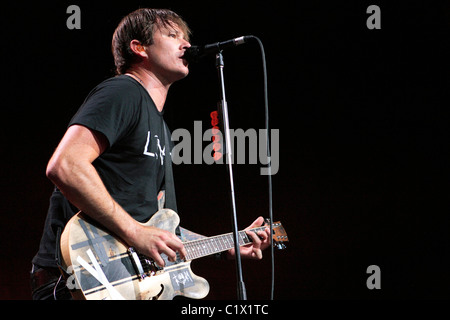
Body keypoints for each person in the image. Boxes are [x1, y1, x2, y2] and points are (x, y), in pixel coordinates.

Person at [30, 8, 271, 300]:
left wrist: (226, 246)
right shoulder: (123, 92)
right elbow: (66, 165)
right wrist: (135, 233)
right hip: (78, 279)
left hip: (124, 281)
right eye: (172, 35)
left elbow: (158, 225)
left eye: (186, 37)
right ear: (138, 47)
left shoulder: (161, 127)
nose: (185, 44)